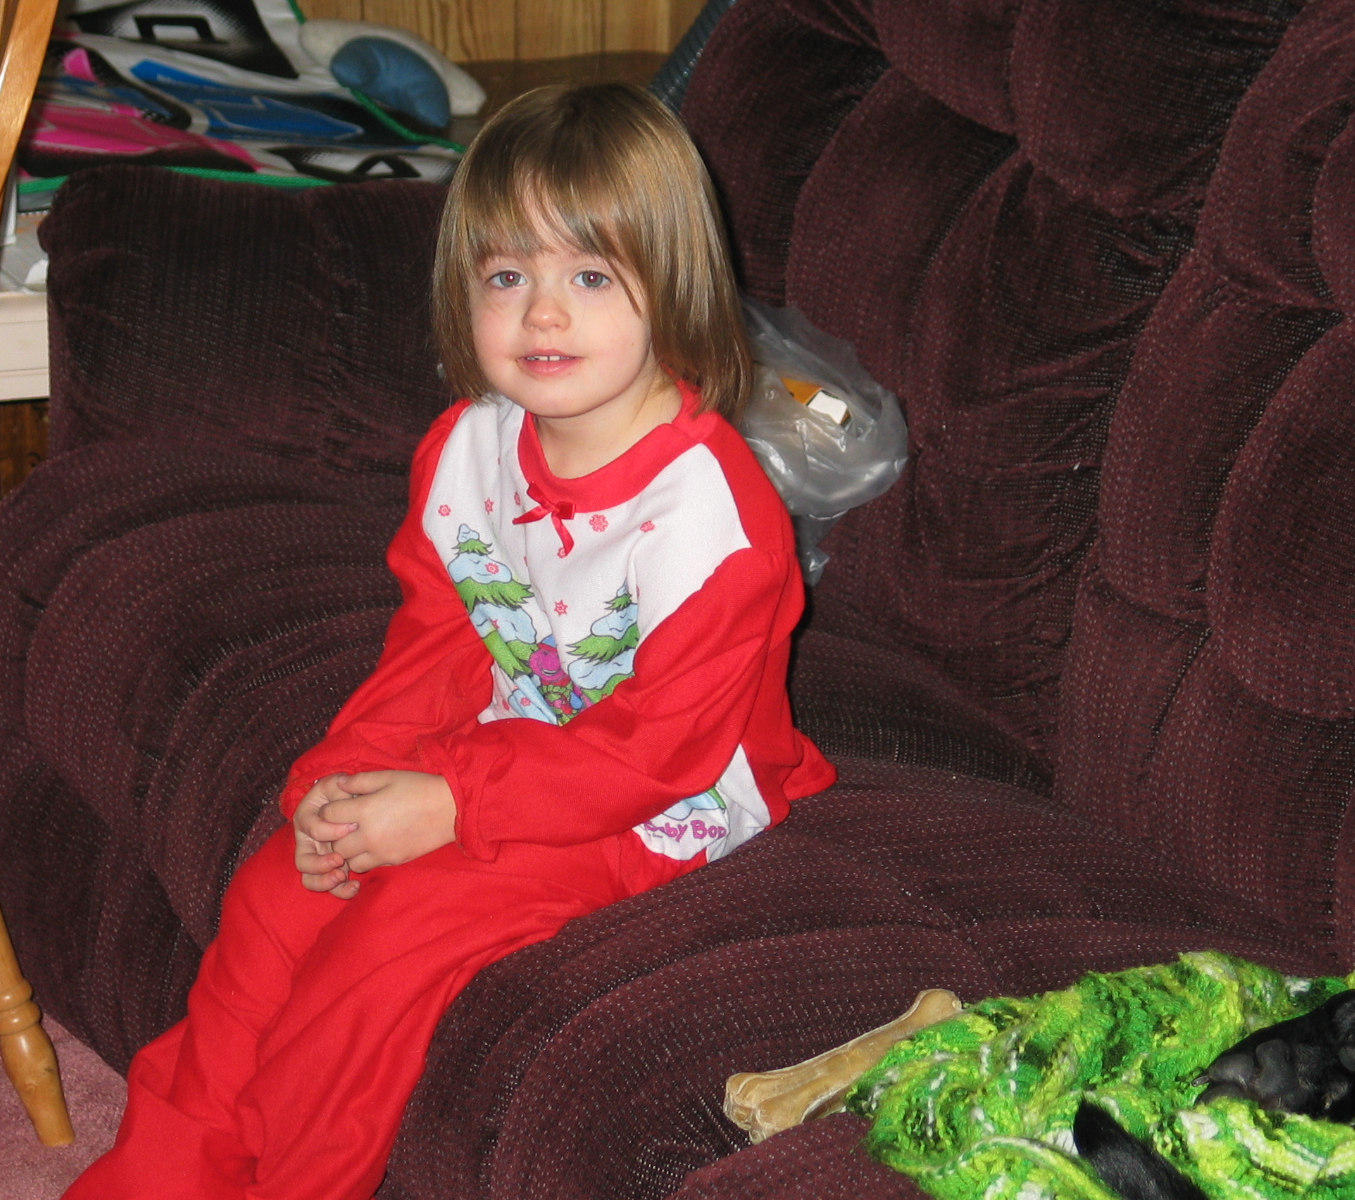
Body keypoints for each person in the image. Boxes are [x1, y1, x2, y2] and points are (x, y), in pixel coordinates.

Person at [65, 81, 835, 1200]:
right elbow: (443, 639)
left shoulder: (711, 518)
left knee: (397, 933)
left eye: (590, 277)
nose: (543, 316)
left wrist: (453, 804)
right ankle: (156, 1179)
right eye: (507, 277)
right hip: (519, 744)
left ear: (673, 288)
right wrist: (344, 777)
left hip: (667, 799)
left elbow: (656, 751)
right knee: (279, 892)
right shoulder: (469, 448)